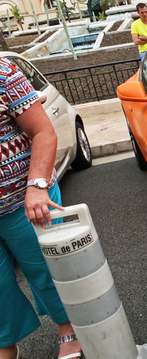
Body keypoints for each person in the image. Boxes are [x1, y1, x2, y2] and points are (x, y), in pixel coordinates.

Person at [0, 57, 83, 359]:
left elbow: (44, 132)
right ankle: (5, 344)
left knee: (46, 270)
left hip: (24, 200)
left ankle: (68, 329)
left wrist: (36, 186)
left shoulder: (3, 71)